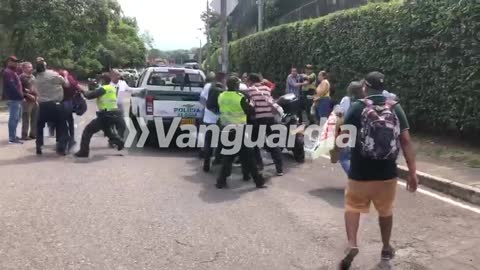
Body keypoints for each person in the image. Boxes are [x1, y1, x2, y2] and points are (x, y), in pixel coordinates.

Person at [337, 71, 418, 269]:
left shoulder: (357, 108)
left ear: (365, 86)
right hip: (387, 173)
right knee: (385, 211)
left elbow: (344, 138)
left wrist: (336, 152)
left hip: (360, 172)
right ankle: (386, 248)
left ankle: (352, 244)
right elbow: (406, 141)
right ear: (383, 87)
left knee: (353, 207)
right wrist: (412, 172)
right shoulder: (395, 108)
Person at [214, 76, 266, 189]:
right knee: (249, 156)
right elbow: (250, 111)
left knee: (229, 156)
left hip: (226, 129)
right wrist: (251, 104)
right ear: (237, 85)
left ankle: (221, 181)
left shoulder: (221, 96)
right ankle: (258, 180)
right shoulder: (240, 97)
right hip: (239, 130)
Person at [74, 73, 125, 158]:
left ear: (103, 80)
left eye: (100, 80)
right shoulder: (112, 88)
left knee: (88, 131)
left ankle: (83, 152)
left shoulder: (103, 89)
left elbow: (89, 96)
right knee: (107, 130)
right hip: (114, 114)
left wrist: (81, 90)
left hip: (106, 115)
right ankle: (119, 141)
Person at [245, 73, 284, 176]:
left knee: (254, 143)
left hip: (258, 119)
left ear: (251, 81)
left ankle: (259, 164)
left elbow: (250, 105)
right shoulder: (266, 89)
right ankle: (279, 169)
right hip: (270, 118)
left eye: (247, 81)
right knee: (273, 143)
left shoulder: (250, 90)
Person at [331, 81, 364, 175]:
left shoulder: (347, 100)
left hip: (347, 131)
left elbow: (340, 113)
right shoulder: (364, 101)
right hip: (361, 132)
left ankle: (355, 178)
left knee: (344, 158)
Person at [109, 69, 143, 140]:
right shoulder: (108, 85)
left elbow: (129, 90)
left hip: (121, 107)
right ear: (112, 76)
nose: (118, 76)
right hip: (111, 107)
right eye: (116, 75)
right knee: (111, 124)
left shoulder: (123, 83)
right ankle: (112, 139)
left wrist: (141, 90)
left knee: (121, 124)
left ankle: (119, 138)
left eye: (119, 75)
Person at [200, 72, 223, 172]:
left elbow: (202, 100)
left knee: (208, 142)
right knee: (220, 141)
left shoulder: (207, 86)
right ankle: (217, 160)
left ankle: (206, 164)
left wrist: (208, 109)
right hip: (220, 120)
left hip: (208, 119)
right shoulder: (224, 87)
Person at [59, 69, 84, 147]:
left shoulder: (57, 80)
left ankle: (60, 139)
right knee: (70, 121)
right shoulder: (70, 79)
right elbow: (78, 87)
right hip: (68, 102)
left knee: (60, 122)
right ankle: (71, 138)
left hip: (58, 103)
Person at [3, 56, 24, 144]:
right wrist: (20, 95)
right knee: (13, 118)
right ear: (8, 62)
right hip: (13, 98)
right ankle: (12, 138)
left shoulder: (12, 72)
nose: (15, 63)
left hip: (16, 98)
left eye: (16, 61)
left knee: (16, 118)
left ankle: (14, 135)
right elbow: (12, 86)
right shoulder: (7, 72)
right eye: (13, 61)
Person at [20, 62, 38, 140]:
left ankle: (33, 134)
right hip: (26, 101)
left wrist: (37, 96)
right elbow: (19, 90)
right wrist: (27, 95)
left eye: (31, 67)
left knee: (35, 117)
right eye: (28, 67)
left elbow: (35, 88)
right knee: (26, 118)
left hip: (35, 100)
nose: (31, 68)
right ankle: (24, 135)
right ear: (23, 68)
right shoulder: (21, 77)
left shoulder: (33, 77)